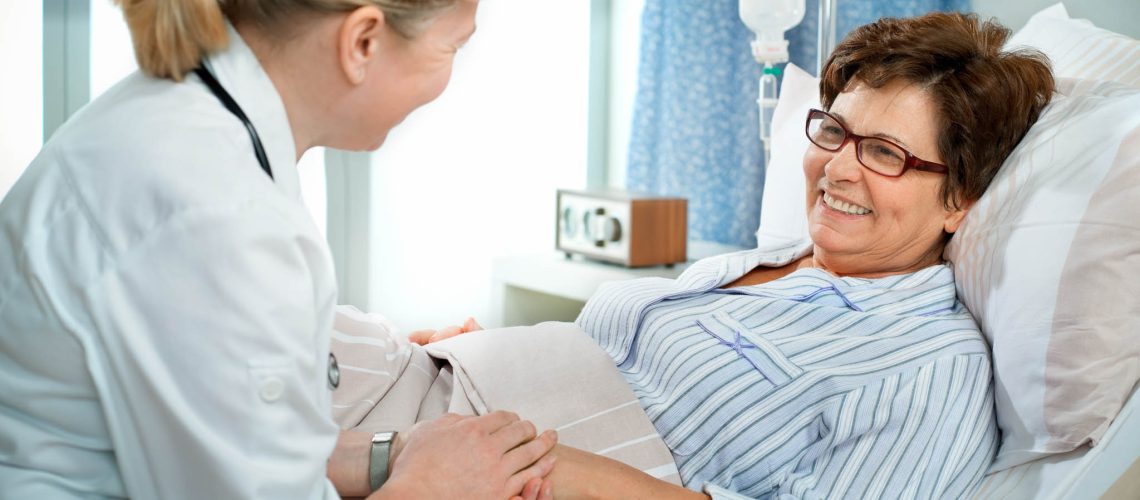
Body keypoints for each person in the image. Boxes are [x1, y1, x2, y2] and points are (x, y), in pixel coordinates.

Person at [416, 11, 1055, 499]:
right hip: (450, 410)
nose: (836, 168)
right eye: (834, 130)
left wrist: (559, 465)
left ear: (960, 198)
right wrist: (503, 359)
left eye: (885, 152)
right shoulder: (760, 264)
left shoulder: (931, 372)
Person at [0, 0, 556, 499]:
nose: (448, 79)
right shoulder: (209, 210)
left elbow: (253, 439)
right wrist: (436, 488)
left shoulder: (191, 125)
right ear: (363, 40)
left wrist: (395, 455)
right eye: (452, 46)